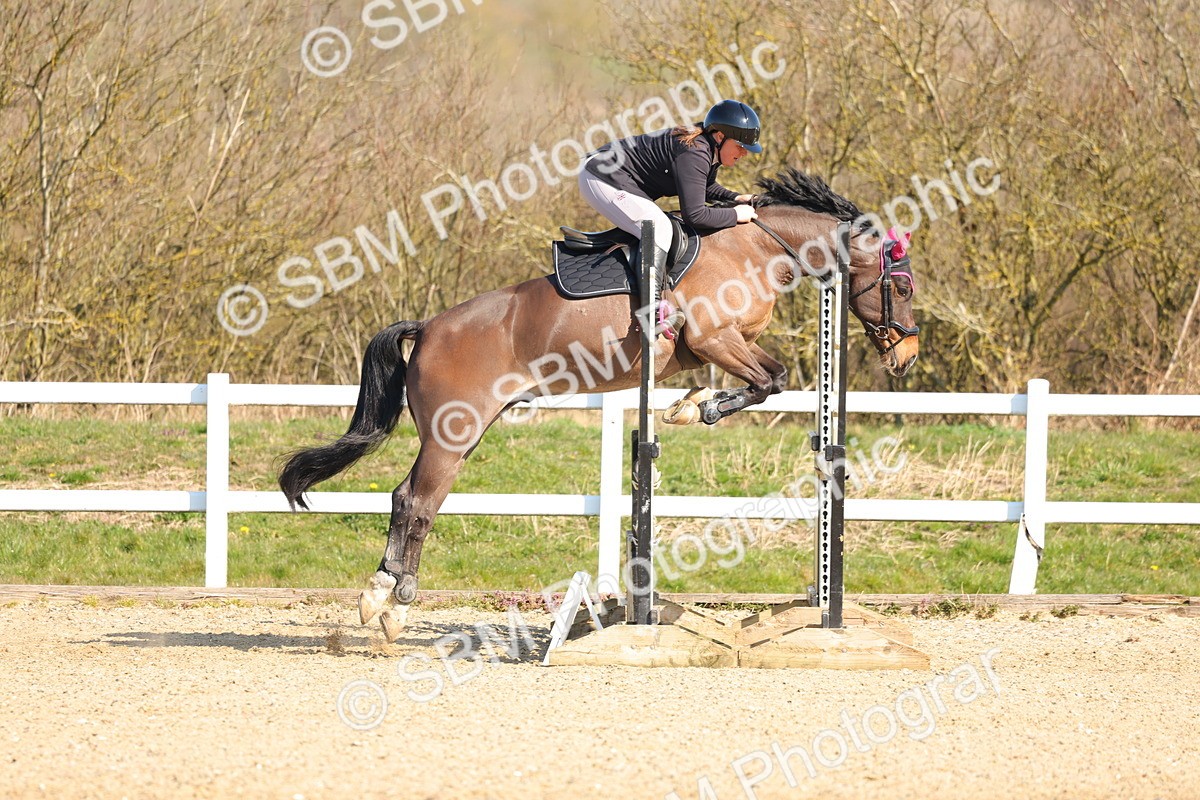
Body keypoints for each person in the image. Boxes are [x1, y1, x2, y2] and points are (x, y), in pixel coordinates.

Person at [577, 100, 762, 333]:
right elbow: (695, 215)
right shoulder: (695, 152)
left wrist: (735, 198)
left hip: (610, 175)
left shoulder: (705, 147)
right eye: (740, 145)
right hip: (601, 177)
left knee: (660, 225)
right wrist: (735, 214)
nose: (744, 152)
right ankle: (653, 311)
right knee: (658, 227)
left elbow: (703, 186)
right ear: (720, 136)